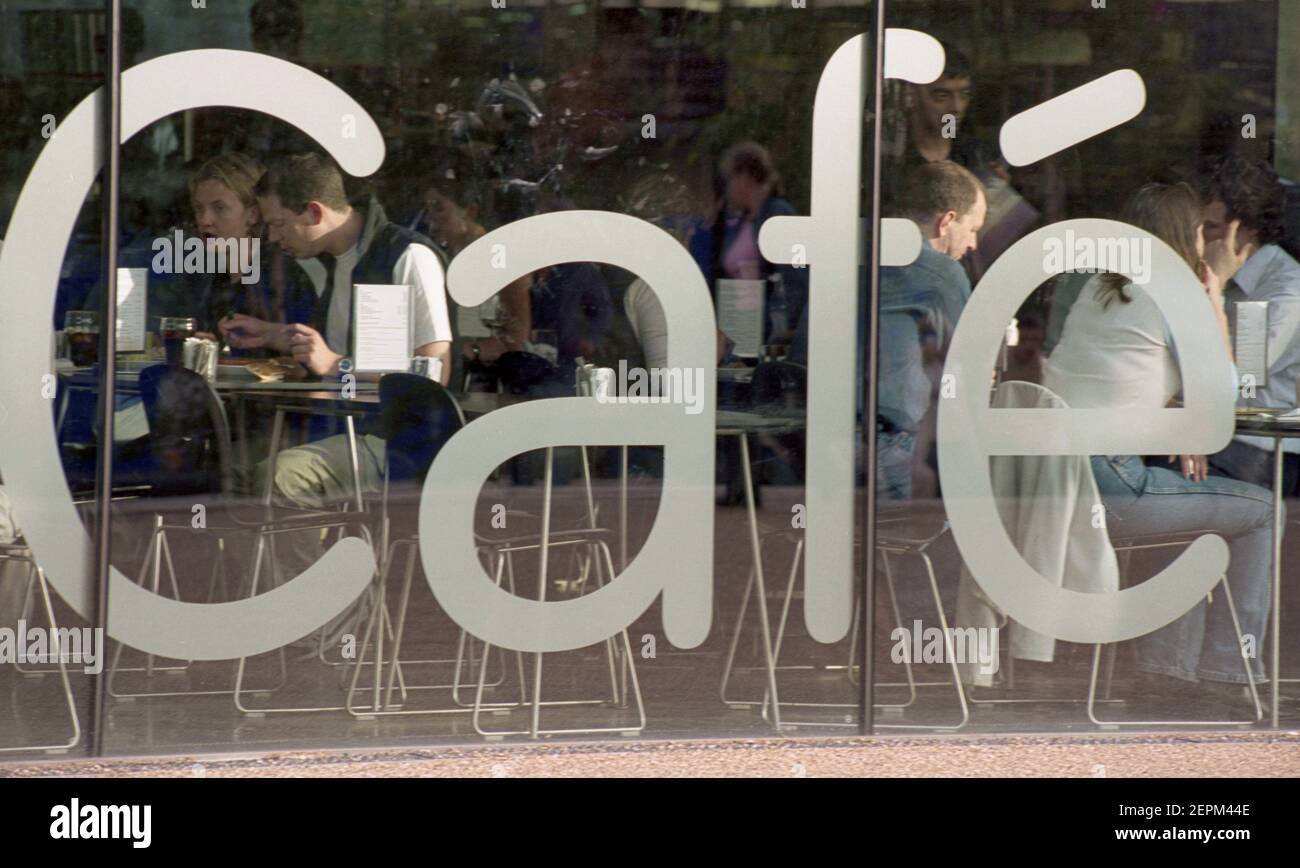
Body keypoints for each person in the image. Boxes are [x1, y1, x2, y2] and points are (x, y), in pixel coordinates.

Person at [1043, 181, 1274, 710]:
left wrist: (1181, 420)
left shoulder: (1098, 287)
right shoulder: (1173, 290)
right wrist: (1214, 301)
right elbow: (1224, 394)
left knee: (1192, 500)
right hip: (1113, 485)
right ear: (1187, 235)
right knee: (1261, 511)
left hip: (1059, 481)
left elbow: (1117, 374)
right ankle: (1226, 671)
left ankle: (1166, 670)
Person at [219, 154, 453, 592]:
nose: (272, 237)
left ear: (314, 211)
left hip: (403, 440)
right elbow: (339, 353)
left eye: (278, 223)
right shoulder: (336, 261)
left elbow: (433, 372)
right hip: (347, 429)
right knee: (233, 470)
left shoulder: (409, 255)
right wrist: (273, 335)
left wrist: (336, 365)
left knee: (283, 475)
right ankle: (262, 608)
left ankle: (322, 624)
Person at [876, 161, 986, 500]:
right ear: (947, 221)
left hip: (813, 443)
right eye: (972, 229)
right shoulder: (941, 273)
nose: (973, 244)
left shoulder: (854, 253)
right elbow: (969, 366)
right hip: (888, 444)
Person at [1198, 155, 1300, 496]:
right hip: (1217, 436)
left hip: (1258, 451)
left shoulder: (1283, 289)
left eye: (1210, 228)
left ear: (1247, 229)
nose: (1200, 239)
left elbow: (1242, 376)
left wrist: (1216, 287)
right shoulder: (1215, 273)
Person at [694, 142, 808, 351]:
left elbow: (797, 275)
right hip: (739, 327)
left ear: (744, 176)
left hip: (766, 331)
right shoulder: (743, 221)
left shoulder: (778, 215)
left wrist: (793, 332)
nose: (727, 189)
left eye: (730, 180)